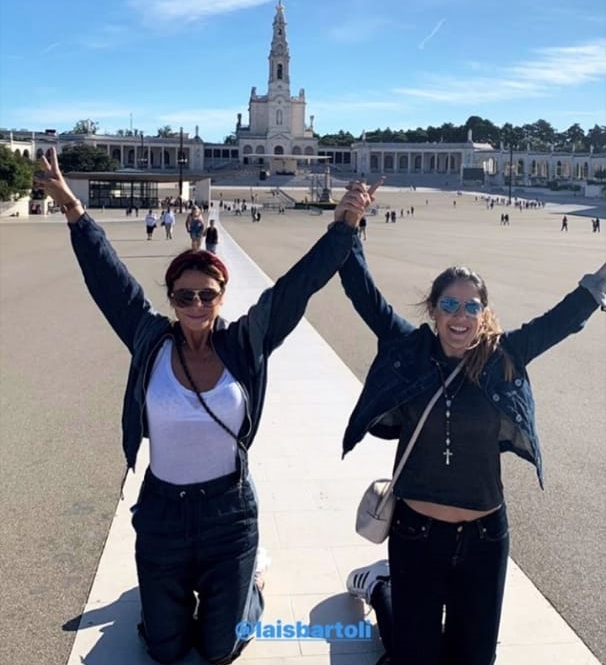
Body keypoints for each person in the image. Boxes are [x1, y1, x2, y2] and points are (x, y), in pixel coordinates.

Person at [33, 149, 366, 665]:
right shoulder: (150, 340)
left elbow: (296, 288)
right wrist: (75, 212)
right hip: (163, 510)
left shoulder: (245, 342)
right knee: (164, 650)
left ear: (221, 296)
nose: (195, 305)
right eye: (184, 296)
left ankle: (248, 583)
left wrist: (342, 228)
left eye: (205, 295)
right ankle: (178, 591)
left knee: (219, 647)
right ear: (170, 299)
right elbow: (109, 280)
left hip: (228, 513)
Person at [337, 181, 605, 665]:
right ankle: (382, 588)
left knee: (473, 660)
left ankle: (384, 590)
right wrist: (349, 225)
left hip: (484, 538)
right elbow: (363, 294)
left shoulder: (505, 357)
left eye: (471, 307)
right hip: (416, 534)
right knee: (417, 657)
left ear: (484, 315)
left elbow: (562, 319)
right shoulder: (409, 350)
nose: (460, 316)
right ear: (434, 310)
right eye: (449, 305)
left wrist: (600, 282)